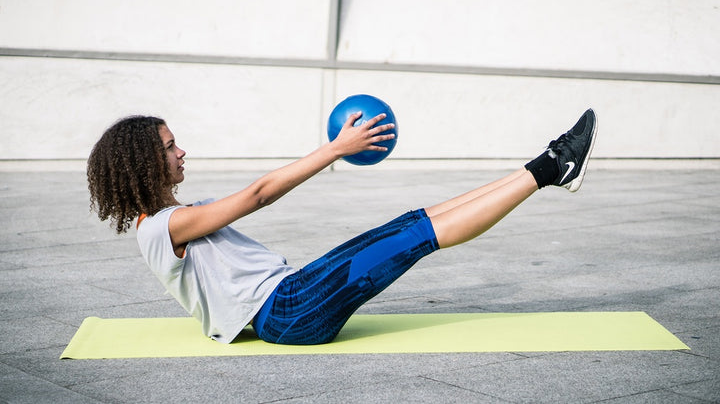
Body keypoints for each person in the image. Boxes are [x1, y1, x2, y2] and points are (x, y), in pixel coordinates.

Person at [87, 108, 597, 345]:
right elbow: (258, 195)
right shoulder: (160, 229)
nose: (182, 152)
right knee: (412, 238)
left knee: (410, 224)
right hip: (287, 312)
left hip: (291, 297)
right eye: (171, 146)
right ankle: (553, 168)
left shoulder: (173, 219)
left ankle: (548, 163)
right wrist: (334, 150)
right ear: (145, 163)